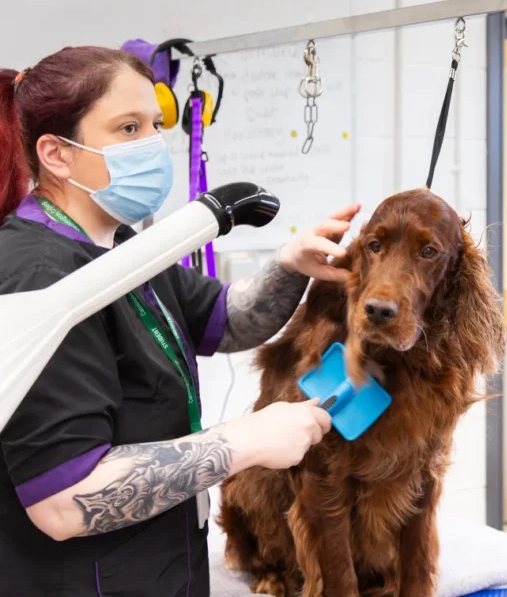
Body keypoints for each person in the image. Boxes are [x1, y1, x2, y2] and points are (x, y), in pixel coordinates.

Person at [0, 46, 360, 596]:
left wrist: (290, 267)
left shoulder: (123, 244)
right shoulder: (39, 277)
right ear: (56, 154)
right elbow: (64, 501)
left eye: (155, 126)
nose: (151, 144)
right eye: (127, 128)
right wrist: (243, 442)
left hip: (163, 564)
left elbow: (226, 319)